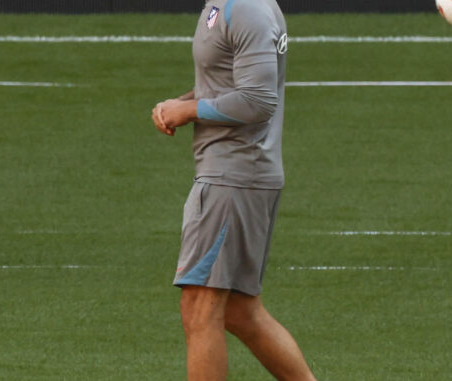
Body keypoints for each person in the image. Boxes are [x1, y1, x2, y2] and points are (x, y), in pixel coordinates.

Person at [151, 0, 317, 380]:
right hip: (234, 173)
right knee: (240, 311)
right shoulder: (225, 4)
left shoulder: (246, 8)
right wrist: (185, 100)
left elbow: (258, 101)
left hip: (233, 176)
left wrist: (190, 112)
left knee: (200, 308)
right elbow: (228, 80)